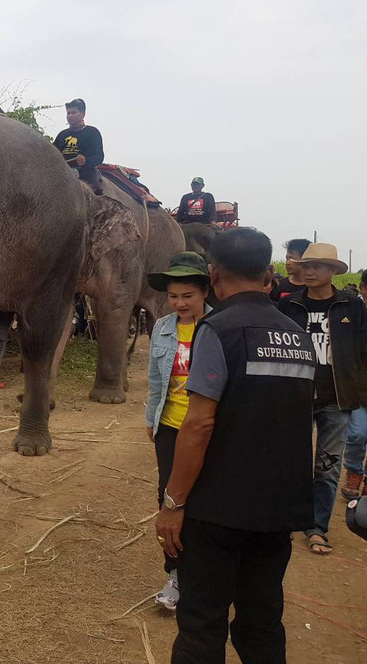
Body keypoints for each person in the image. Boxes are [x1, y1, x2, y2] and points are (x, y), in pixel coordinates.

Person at [155, 227, 316, 664]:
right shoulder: (297, 338)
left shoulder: (216, 329)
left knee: (202, 623)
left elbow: (199, 424)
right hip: (277, 510)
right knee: (262, 621)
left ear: (213, 273)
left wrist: (173, 503)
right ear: (268, 274)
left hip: (217, 511)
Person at [278, 243, 367, 552]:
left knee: (328, 466)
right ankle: (288, 521)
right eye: (307, 265)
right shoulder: (289, 305)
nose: (310, 270)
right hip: (296, 397)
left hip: (336, 400)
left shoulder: (351, 305)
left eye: (318, 266)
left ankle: (318, 528)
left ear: (333, 272)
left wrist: (360, 391)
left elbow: (363, 351)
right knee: (291, 462)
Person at [144, 252, 212, 611]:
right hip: (171, 426)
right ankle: (175, 576)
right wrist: (150, 419)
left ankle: (208, 574)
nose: (180, 303)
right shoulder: (163, 327)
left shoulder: (220, 328)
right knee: (168, 500)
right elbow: (157, 381)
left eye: (187, 295)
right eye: (173, 296)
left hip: (208, 430)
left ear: (204, 291)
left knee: (207, 500)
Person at [52, 98, 104, 195]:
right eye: (68, 113)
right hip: (62, 171)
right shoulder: (62, 135)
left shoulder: (92, 132)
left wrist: (85, 161)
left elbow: (99, 156)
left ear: (83, 114)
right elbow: (52, 153)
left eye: (73, 112)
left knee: (96, 194)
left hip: (85, 172)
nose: (70, 116)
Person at [268, 238, 310, 302]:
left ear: (304, 260)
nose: (287, 263)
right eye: (287, 258)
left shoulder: (314, 288)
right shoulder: (278, 286)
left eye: (291, 258)